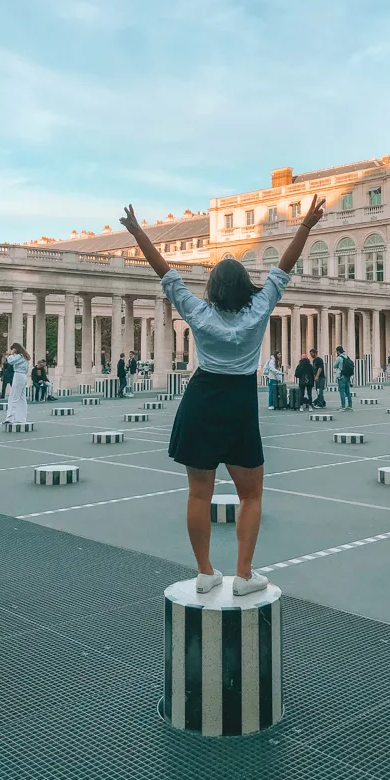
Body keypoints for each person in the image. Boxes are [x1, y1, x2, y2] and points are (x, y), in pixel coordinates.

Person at [120, 194, 326, 596]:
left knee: (198, 493)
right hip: (239, 402)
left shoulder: (197, 313)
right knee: (251, 494)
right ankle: (244, 574)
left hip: (201, 397)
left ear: (213, 288)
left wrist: (138, 231)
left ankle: (204, 570)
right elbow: (283, 267)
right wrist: (306, 225)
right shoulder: (259, 309)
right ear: (246, 286)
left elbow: (165, 273)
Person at [4, 343, 30, 425]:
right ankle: (21, 418)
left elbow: (10, 361)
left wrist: (10, 354)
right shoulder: (24, 356)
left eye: (12, 349)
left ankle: (10, 418)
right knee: (22, 398)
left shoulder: (19, 356)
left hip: (18, 375)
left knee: (13, 397)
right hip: (23, 376)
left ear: (15, 349)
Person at [334, 345, 354, 410]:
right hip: (347, 376)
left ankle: (343, 406)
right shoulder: (347, 357)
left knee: (342, 391)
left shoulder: (339, 358)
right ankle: (350, 405)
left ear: (338, 351)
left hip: (341, 377)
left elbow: (334, 366)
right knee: (348, 391)